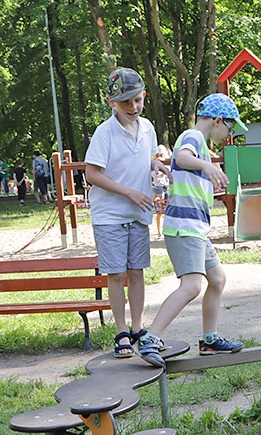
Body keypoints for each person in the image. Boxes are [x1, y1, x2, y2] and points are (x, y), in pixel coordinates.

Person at [136, 93, 246, 367]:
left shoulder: (201, 145)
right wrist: (206, 165)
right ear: (218, 120)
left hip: (196, 229)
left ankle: (209, 340)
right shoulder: (193, 136)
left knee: (217, 279)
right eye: (230, 128)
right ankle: (151, 338)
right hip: (184, 228)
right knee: (192, 286)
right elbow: (182, 158)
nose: (229, 134)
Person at [84, 67, 171, 358]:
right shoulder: (104, 133)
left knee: (136, 272)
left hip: (138, 213)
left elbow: (143, 159)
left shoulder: (147, 127)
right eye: (126, 102)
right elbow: (92, 174)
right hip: (110, 215)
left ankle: (138, 329)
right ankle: (121, 331)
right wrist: (129, 192)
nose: (133, 107)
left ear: (143, 96)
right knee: (116, 274)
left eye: (137, 100)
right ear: (112, 103)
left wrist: (155, 166)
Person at [152, 145, 171, 239]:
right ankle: (159, 232)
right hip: (158, 188)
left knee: (168, 211)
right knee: (159, 213)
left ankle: (166, 231)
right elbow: (156, 175)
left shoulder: (167, 163)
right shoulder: (155, 163)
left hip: (166, 188)